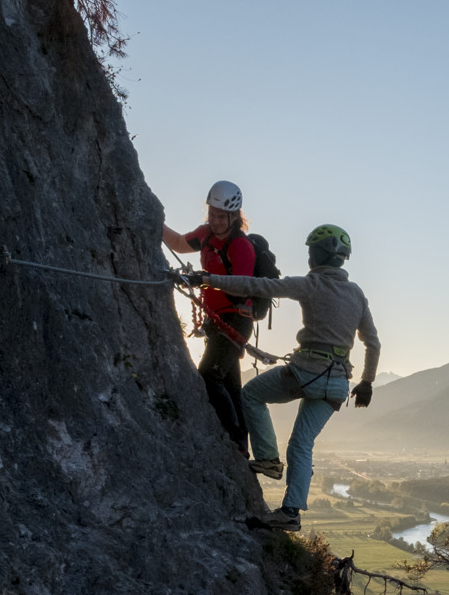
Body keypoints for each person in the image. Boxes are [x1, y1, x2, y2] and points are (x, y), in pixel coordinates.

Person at [188, 224, 378, 532]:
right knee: (302, 444)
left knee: (251, 395)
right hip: (338, 382)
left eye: (309, 251)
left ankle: (267, 460)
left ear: (316, 255)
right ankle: (290, 513)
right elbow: (373, 342)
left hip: (306, 372)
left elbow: (256, 286)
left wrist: (207, 280)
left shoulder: (310, 284)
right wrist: (367, 381)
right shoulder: (357, 294)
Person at [162, 180, 256, 453]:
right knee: (230, 383)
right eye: (212, 214)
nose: (214, 221)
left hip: (236, 319)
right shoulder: (205, 235)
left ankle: (233, 437)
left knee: (209, 375)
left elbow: (240, 286)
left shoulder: (241, 246)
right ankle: (241, 445)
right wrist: (156, 222)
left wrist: (202, 280)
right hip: (216, 320)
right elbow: (180, 244)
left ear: (233, 217)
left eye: (220, 216)